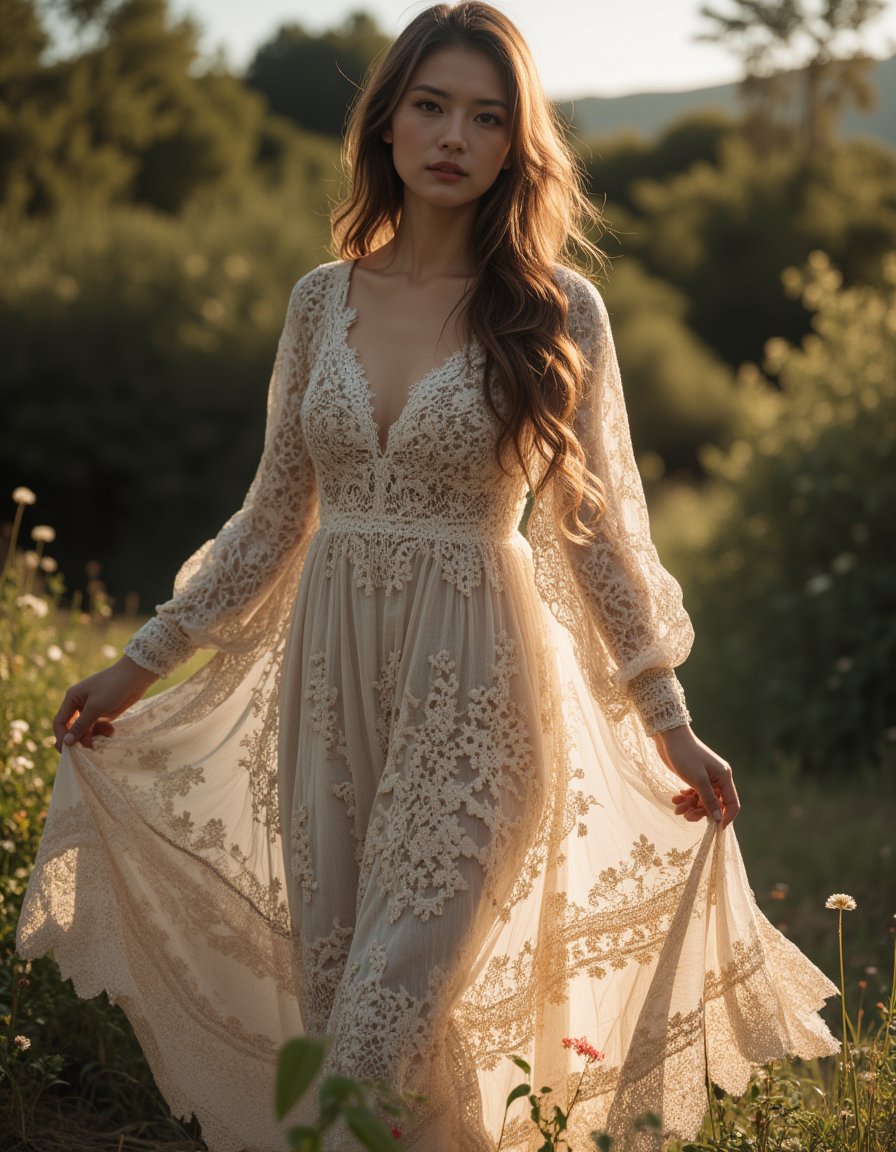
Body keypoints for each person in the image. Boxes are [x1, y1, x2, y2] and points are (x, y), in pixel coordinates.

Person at [17, 4, 839, 1150]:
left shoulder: (557, 312)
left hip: (480, 691)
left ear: (516, 145)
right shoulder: (321, 299)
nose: (454, 135)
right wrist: (137, 664)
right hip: (328, 686)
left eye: (487, 116)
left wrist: (667, 722)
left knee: (378, 1017)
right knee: (345, 1000)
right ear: (387, 121)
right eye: (431, 105)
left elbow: (593, 534)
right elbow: (273, 515)